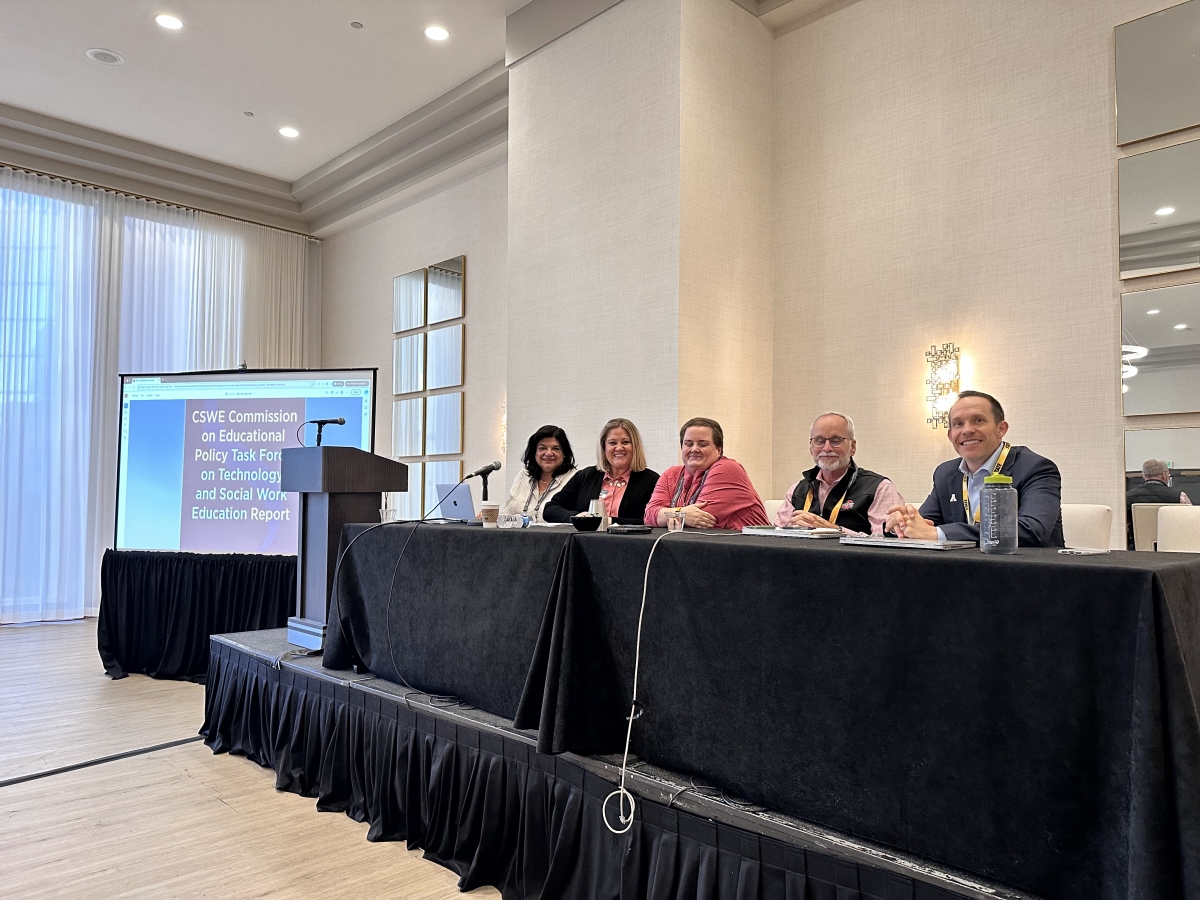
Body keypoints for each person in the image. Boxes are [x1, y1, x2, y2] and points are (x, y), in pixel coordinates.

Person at [885, 391, 1064, 547]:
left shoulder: (1035, 468)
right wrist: (902, 525)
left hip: (1026, 577)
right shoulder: (945, 473)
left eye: (978, 420)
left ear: (1001, 429)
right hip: (963, 574)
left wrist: (938, 534)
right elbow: (925, 525)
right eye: (958, 424)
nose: (967, 430)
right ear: (950, 435)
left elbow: (1032, 530)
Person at [775, 412, 905, 535]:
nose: (827, 448)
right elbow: (775, 536)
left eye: (836, 440)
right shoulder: (797, 491)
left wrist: (834, 531)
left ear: (852, 447)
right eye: (819, 441)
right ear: (811, 447)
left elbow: (889, 545)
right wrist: (787, 531)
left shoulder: (879, 488)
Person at [645, 417, 769, 530]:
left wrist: (666, 515)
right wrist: (682, 513)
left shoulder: (728, 469)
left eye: (702, 444)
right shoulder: (671, 474)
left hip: (753, 548)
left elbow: (702, 521)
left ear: (719, 450)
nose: (694, 449)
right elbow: (649, 516)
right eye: (688, 444)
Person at [544, 418, 659, 524]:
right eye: (612, 443)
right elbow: (550, 509)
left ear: (635, 447)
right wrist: (578, 517)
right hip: (584, 544)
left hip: (630, 545)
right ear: (604, 447)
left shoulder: (651, 481)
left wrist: (608, 521)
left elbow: (651, 520)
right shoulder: (585, 476)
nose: (619, 448)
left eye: (625, 442)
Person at [501, 425, 577, 523]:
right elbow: (508, 513)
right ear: (534, 452)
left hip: (556, 537)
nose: (549, 453)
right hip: (518, 537)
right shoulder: (523, 475)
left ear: (564, 453)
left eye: (556, 448)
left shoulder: (574, 478)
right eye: (542, 448)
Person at [1125, 458, 1192, 549]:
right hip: (1172, 547)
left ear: (1144, 476)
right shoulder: (1180, 497)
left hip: (1137, 550)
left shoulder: (1127, 497)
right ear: (1164, 475)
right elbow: (1190, 523)